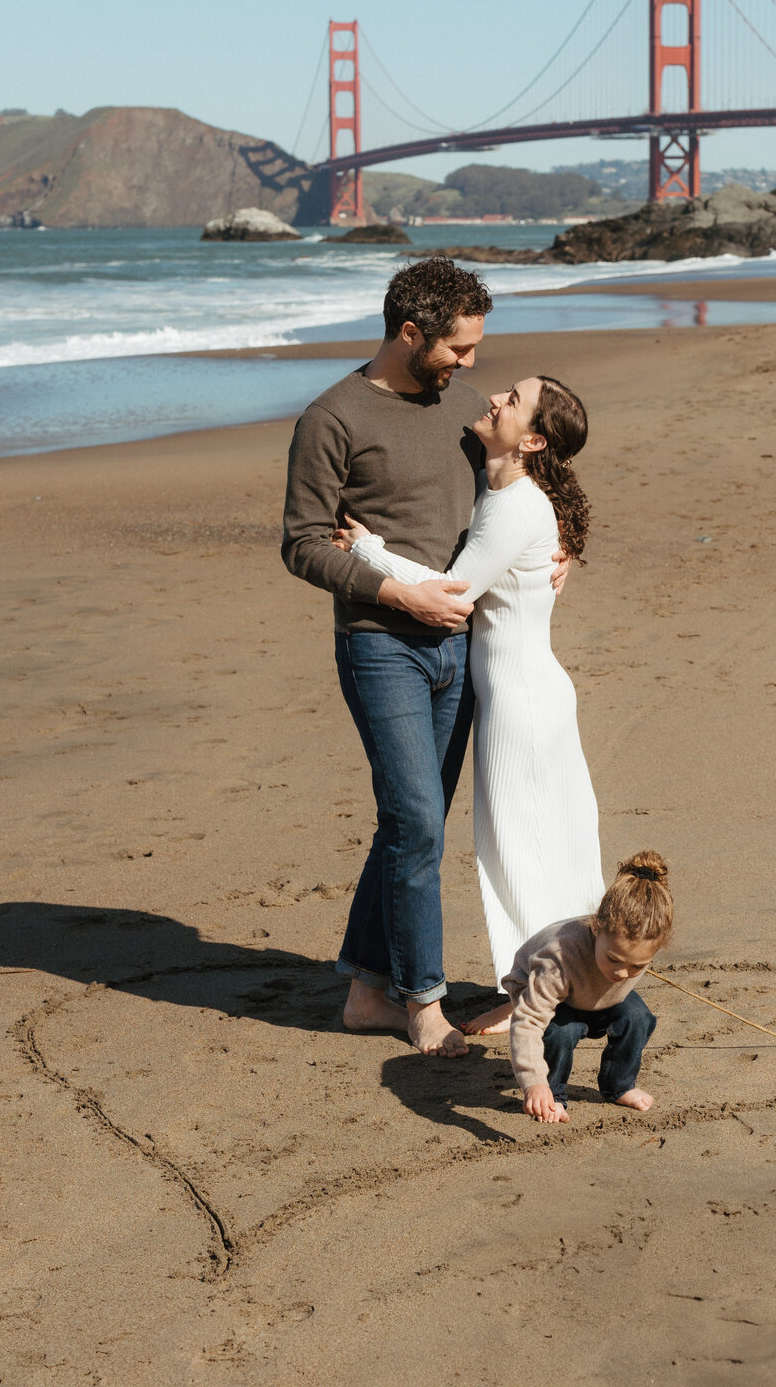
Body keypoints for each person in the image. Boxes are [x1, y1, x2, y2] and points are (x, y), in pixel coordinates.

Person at [280, 255, 567, 1060]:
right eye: (457, 348)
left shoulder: (469, 407)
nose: (472, 366)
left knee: (414, 824)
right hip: (382, 646)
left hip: (463, 652)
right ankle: (423, 1000)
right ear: (409, 333)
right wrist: (398, 594)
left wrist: (561, 544)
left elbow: (529, 482)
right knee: (413, 820)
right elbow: (301, 545)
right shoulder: (331, 418)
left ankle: (367, 990)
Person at [336, 374, 605, 1034]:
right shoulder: (513, 492)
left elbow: (455, 589)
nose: (495, 399)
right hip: (523, 694)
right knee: (543, 843)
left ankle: (534, 994)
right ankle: (552, 983)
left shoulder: (517, 506)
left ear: (534, 437)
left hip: (522, 704)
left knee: (523, 849)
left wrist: (368, 549)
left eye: (513, 401)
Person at [501, 851, 674, 1124]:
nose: (621, 972)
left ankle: (620, 1086)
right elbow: (529, 1022)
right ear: (595, 927)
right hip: (552, 994)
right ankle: (553, 1095)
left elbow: (627, 964)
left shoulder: (635, 950)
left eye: (637, 966)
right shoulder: (558, 958)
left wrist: (628, 965)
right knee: (561, 1031)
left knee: (638, 1017)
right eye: (614, 959)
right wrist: (533, 1082)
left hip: (594, 995)